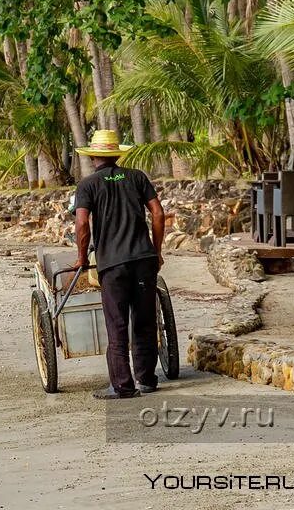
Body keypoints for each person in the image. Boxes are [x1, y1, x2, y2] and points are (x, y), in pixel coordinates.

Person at [71, 129, 166, 400]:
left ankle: (123, 385)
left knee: (117, 323)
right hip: (143, 259)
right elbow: (158, 214)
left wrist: (80, 258)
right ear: (116, 154)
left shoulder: (88, 185)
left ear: (93, 158)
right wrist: (156, 251)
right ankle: (147, 379)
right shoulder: (136, 177)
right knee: (145, 319)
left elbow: (81, 224)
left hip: (113, 264)